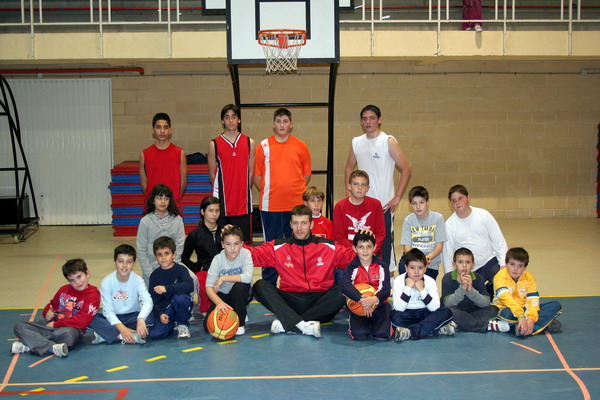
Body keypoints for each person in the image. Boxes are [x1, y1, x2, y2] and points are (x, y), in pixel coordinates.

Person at [249, 205, 357, 338]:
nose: (299, 228)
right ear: (290, 224)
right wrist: (228, 238)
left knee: (344, 288)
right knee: (260, 285)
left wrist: (363, 241)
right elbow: (248, 255)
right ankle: (304, 325)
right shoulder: (278, 246)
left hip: (321, 302)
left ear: (311, 224)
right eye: (295, 223)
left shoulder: (328, 246)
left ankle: (290, 322)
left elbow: (354, 258)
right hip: (291, 301)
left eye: (304, 223)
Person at [345, 104, 411, 273]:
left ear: (379, 120)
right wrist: (348, 191)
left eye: (372, 118)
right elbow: (349, 167)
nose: (368, 122)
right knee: (361, 245)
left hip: (383, 206)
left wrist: (397, 197)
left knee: (385, 247)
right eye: (365, 118)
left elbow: (406, 168)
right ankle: (362, 280)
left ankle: (387, 284)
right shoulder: (356, 142)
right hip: (361, 205)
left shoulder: (387, 141)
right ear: (361, 121)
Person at [254, 108, 312, 285]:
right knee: (271, 248)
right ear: (273, 124)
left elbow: (306, 174)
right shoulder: (263, 146)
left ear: (291, 124)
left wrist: (292, 190)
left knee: (294, 247)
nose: (282, 124)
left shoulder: (300, 145)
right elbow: (257, 176)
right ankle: (268, 287)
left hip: (295, 207)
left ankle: (293, 283)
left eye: (285, 121)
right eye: (278, 121)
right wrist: (270, 191)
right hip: (270, 207)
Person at [12, 259, 100, 357]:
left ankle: (30, 344)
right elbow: (51, 305)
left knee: (69, 335)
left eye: (79, 277)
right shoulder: (64, 289)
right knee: (19, 326)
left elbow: (83, 321)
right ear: (68, 280)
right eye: (72, 280)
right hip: (49, 325)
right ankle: (51, 347)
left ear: (87, 273)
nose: (77, 282)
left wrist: (56, 324)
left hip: (70, 329)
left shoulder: (93, 294)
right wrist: (47, 312)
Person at [442, 184, 508, 295]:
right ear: (450, 203)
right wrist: (451, 279)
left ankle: (490, 290)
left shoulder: (484, 215)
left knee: (503, 282)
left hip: (489, 263)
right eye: (453, 200)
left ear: (468, 198)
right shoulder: (449, 225)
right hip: (468, 270)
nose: (457, 203)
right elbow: (447, 255)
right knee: (471, 299)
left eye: (460, 198)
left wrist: (503, 265)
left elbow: (499, 242)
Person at [208, 104, 255, 245]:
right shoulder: (214, 144)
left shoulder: (249, 142)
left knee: (245, 245)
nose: (231, 121)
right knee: (224, 245)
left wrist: (243, 190)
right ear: (222, 121)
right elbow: (212, 173)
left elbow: (251, 172)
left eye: (234, 117)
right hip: (223, 204)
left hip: (243, 203)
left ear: (239, 120)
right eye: (227, 117)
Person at [88, 244, 154, 344]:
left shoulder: (138, 280)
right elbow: (108, 312)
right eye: (120, 261)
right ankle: (126, 336)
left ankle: (105, 335)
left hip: (133, 317)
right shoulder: (107, 282)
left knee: (150, 318)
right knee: (92, 318)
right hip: (114, 318)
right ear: (114, 262)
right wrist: (122, 328)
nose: (124, 266)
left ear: (134, 263)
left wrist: (141, 319)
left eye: (129, 262)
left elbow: (148, 302)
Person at [493, 247, 563, 337]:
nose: (515, 269)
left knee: (555, 305)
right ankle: (542, 324)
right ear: (506, 264)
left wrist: (531, 319)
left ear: (525, 268)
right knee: (507, 314)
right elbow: (506, 299)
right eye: (512, 264)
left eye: (520, 266)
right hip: (505, 309)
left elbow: (533, 301)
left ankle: (524, 328)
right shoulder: (499, 277)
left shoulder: (529, 278)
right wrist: (521, 316)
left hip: (524, 309)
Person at [391, 248, 455, 342]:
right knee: (394, 317)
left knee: (446, 312)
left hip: (426, 312)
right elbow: (399, 308)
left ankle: (411, 332)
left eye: (420, 268)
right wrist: (408, 288)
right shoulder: (398, 281)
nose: (416, 272)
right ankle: (433, 329)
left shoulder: (430, 281)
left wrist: (422, 289)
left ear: (425, 269)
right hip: (406, 314)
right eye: (412, 268)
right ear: (406, 268)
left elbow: (434, 308)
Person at [333, 170, 386, 283]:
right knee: (341, 277)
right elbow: (338, 236)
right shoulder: (340, 206)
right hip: (348, 255)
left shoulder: (376, 205)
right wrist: (357, 253)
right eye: (356, 184)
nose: (359, 188)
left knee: (379, 280)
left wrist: (368, 252)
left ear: (368, 188)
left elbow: (381, 234)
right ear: (349, 186)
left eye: (363, 184)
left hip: (371, 254)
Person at [341, 232, 392, 341]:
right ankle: (359, 324)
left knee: (382, 335)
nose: (365, 251)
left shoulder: (382, 266)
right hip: (359, 305)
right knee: (360, 335)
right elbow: (345, 287)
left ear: (375, 247)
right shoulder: (351, 268)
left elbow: (386, 289)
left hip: (380, 304)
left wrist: (374, 299)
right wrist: (362, 300)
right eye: (361, 247)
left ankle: (383, 322)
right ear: (354, 248)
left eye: (368, 247)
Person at [204, 225, 253, 336]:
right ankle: (235, 311)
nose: (232, 248)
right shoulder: (218, 259)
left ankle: (240, 322)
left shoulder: (245, 254)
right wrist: (219, 303)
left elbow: (247, 277)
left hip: (241, 294)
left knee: (240, 286)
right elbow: (208, 287)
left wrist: (223, 278)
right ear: (222, 244)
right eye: (228, 244)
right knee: (209, 326)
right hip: (224, 295)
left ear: (241, 244)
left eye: (236, 244)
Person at [441, 248, 503, 333]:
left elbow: (485, 303)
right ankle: (485, 326)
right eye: (460, 262)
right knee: (448, 311)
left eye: (468, 262)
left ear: (473, 265)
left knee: (493, 309)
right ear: (454, 265)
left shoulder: (478, 278)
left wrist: (471, 290)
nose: (464, 265)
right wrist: (462, 289)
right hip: (456, 310)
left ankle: (459, 324)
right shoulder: (447, 278)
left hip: (473, 310)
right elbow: (448, 304)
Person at [137, 184, 185, 287]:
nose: (163, 202)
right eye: (159, 198)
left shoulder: (177, 220)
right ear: (153, 200)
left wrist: (172, 266)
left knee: (192, 280)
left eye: (166, 198)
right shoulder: (145, 221)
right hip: (152, 267)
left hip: (174, 264)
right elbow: (141, 249)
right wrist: (149, 272)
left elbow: (180, 244)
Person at [181, 196, 223, 315]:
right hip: (205, 271)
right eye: (210, 210)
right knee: (205, 289)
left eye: (217, 210)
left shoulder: (225, 231)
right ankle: (205, 308)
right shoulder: (195, 234)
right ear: (202, 212)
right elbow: (184, 258)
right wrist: (197, 268)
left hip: (225, 270)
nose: (214, 214)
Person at [147, 236, 194, 340]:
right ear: (156, 257)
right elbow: (153, 299)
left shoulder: (181, 270)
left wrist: (167, 289)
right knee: (155, 334)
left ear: (174, 254)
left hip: (180, 304)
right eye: (160, 254)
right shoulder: (154, 276)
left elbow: (189, 285)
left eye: (167, 253)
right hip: (166, 310)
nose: (163, 258)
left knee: (181, 298)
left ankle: (183, 324)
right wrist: (160, 314)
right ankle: (172, 323)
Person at [139, 112, 187, 212]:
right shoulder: (144, 154)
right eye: (158, 127)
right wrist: (155, 200)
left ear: (170, 130)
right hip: (152, 208)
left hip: (173, 206)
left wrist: (172, 200)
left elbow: (183, 183)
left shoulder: (180, 153)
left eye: (165, 127)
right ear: (153, 130)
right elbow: (144, 184)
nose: (162, 131)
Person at [399, 186, 447, 281]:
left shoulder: (438, 218)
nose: (418, 206)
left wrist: (424, 261)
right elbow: (407, 247)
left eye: (421, 202)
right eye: (414, 203)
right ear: (410, 205)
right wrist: (416, 262)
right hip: (412, 261)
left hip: (430, 264)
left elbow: (439, 247)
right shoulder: (408, 220)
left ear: (428, 202)